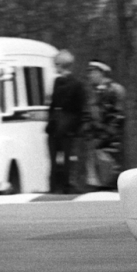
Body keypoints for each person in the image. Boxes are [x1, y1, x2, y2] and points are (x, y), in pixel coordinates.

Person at [46, 50, 87, 193]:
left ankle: (65, 186)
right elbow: (53, 104)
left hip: (67, 128)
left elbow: (79, 110)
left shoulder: (77, 85)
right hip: (55, 127)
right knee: (53, 160)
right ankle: (53, 187)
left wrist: (72, 128)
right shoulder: (57, 81)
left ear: (61, 65)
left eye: (56, 64)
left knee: (67, 160)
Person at [85, 60, 126, 189]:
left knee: (111, 172)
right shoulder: (94, 92)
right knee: (98, 175)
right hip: (97, 138)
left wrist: (108, 134)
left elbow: (118, 116)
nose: (90, 76)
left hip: (110, 139)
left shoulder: (115, 90)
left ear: (101, 73)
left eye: (92, 72)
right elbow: (92, 114)